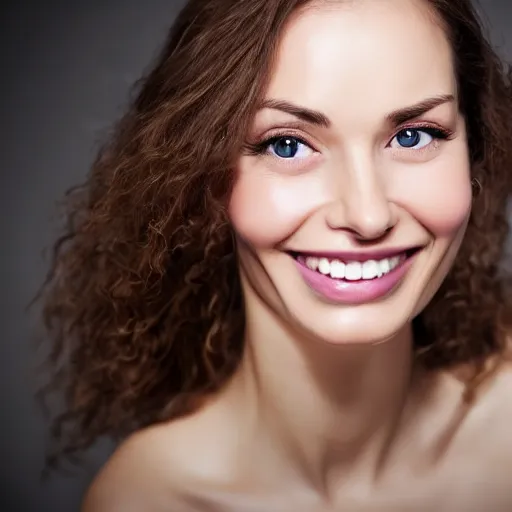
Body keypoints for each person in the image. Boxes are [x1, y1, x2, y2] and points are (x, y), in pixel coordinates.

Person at [37, 0, 512, 510]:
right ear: (201, 174)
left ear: (473, 152)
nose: (368, 215)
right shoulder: (147, 501)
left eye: (414, 136)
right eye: (287, 145)